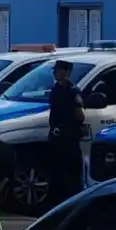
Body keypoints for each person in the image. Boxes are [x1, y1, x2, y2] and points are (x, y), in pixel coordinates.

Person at [46, 60, 86, 207]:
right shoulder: (55, 90)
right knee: (55, 173)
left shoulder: (72, 91)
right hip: (56, 137)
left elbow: (80, 115)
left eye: (58, 70)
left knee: (72, 175)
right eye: (55, 70)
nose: (55, 73)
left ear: (67, 72)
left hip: (69, 138)